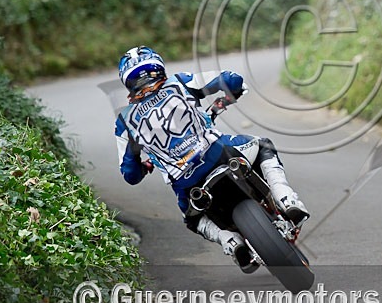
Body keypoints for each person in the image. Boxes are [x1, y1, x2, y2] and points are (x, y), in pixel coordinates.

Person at [114, 46, 309, 270]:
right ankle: (286, 198)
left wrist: (145, 166)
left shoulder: (124, 121)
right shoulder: (180, 82)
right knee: (263, 145)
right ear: (158, 67)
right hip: (220, 155)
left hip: (187, 185)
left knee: (193, 220)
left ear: (127, 82)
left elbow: (129, 174)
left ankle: (230, 242)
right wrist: (229, 95)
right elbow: (230, 79)